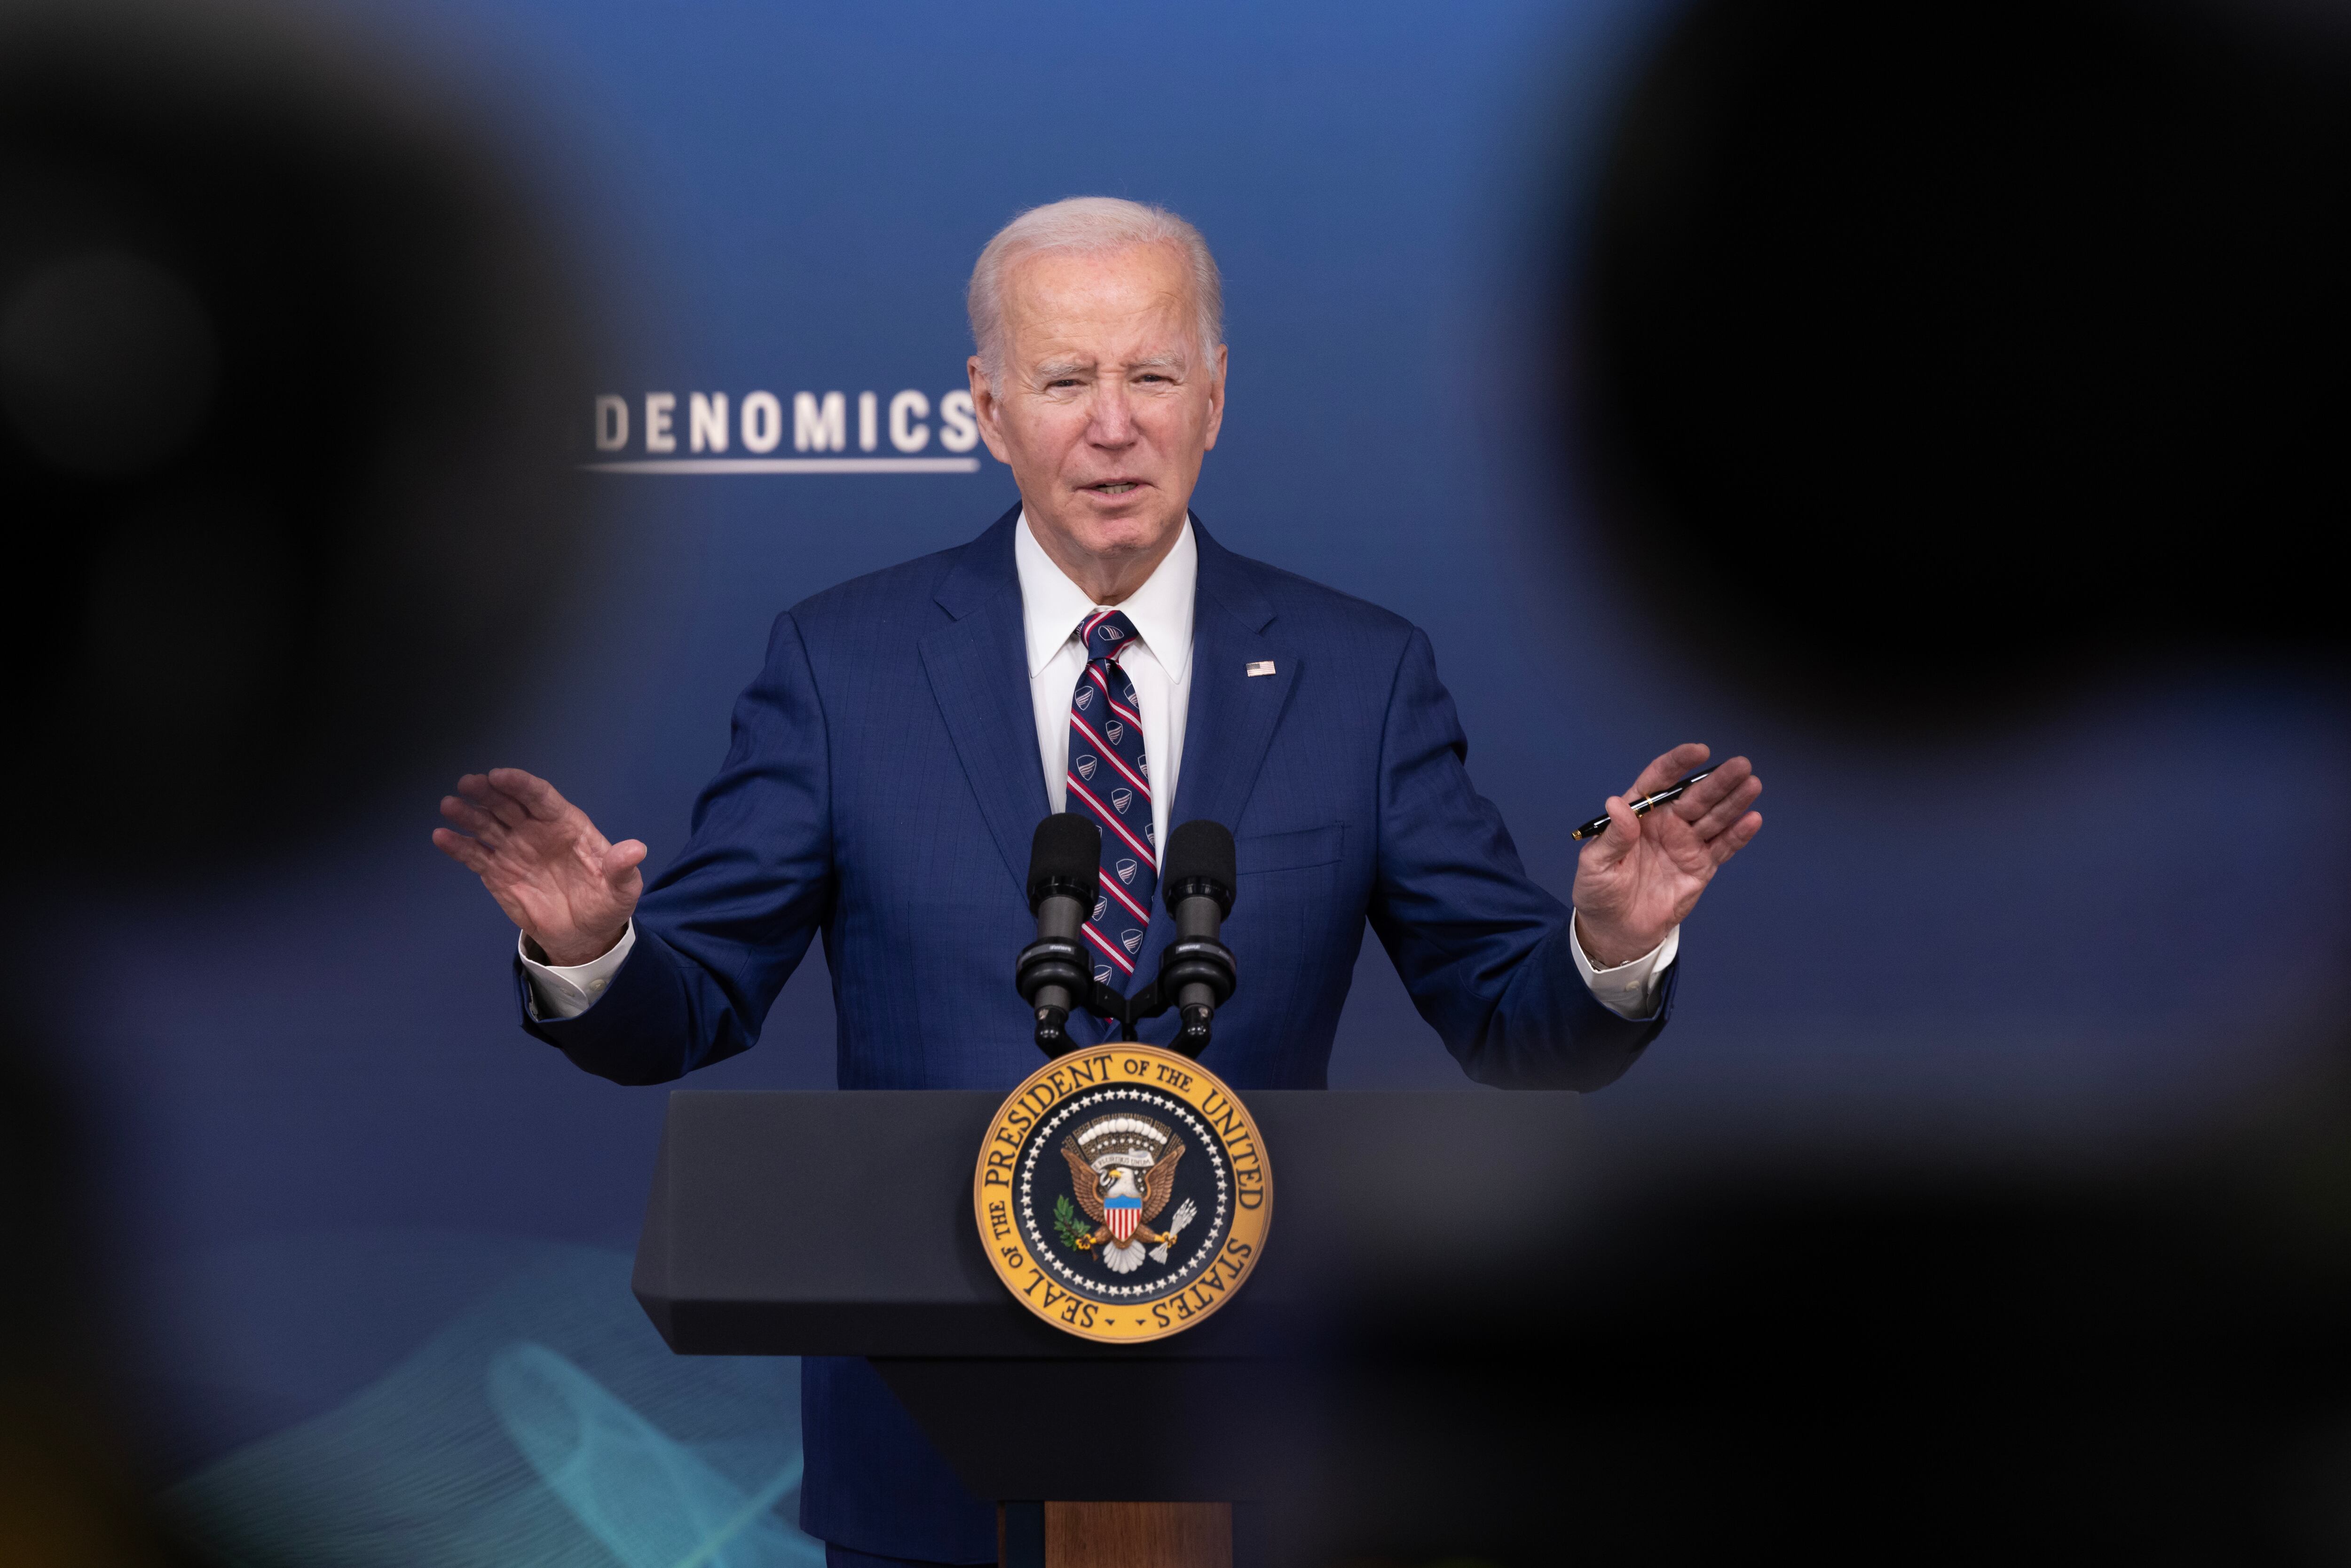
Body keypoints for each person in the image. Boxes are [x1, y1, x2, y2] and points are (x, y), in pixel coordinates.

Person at [433, 197, 1762, 1568]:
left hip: (1258, 1451)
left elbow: (1514, 1026)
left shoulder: (1360, 675)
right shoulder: (845, 666)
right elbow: (688, 1005)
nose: (1113, 426)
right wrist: (594, 954)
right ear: (989, 407)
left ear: (1215, 397)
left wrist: (1609, 950)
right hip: (928, 1477)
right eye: (1067, 380)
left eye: (1152, 376)